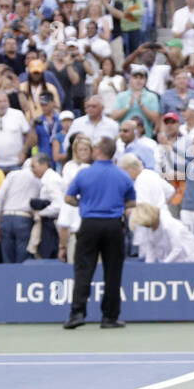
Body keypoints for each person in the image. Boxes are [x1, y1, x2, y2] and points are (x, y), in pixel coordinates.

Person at [64, 136, 136, 329]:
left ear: (98, 151)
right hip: (113, 224)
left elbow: (69, 197)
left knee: (83, 269)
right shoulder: (122, 175)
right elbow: (132, 202)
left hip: (89, 223)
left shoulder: (84, 174)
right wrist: (116, 204)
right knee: (113, 271)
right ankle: (109, 317)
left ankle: (77, 313)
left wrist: (84, 203)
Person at [130, 202, 194, 263]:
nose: (144, 226)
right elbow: (150, 251)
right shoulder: (148, 226)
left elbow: (177, 248)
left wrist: (164, 265)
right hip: (177, 263)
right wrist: (148, 269)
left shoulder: (169, 224)